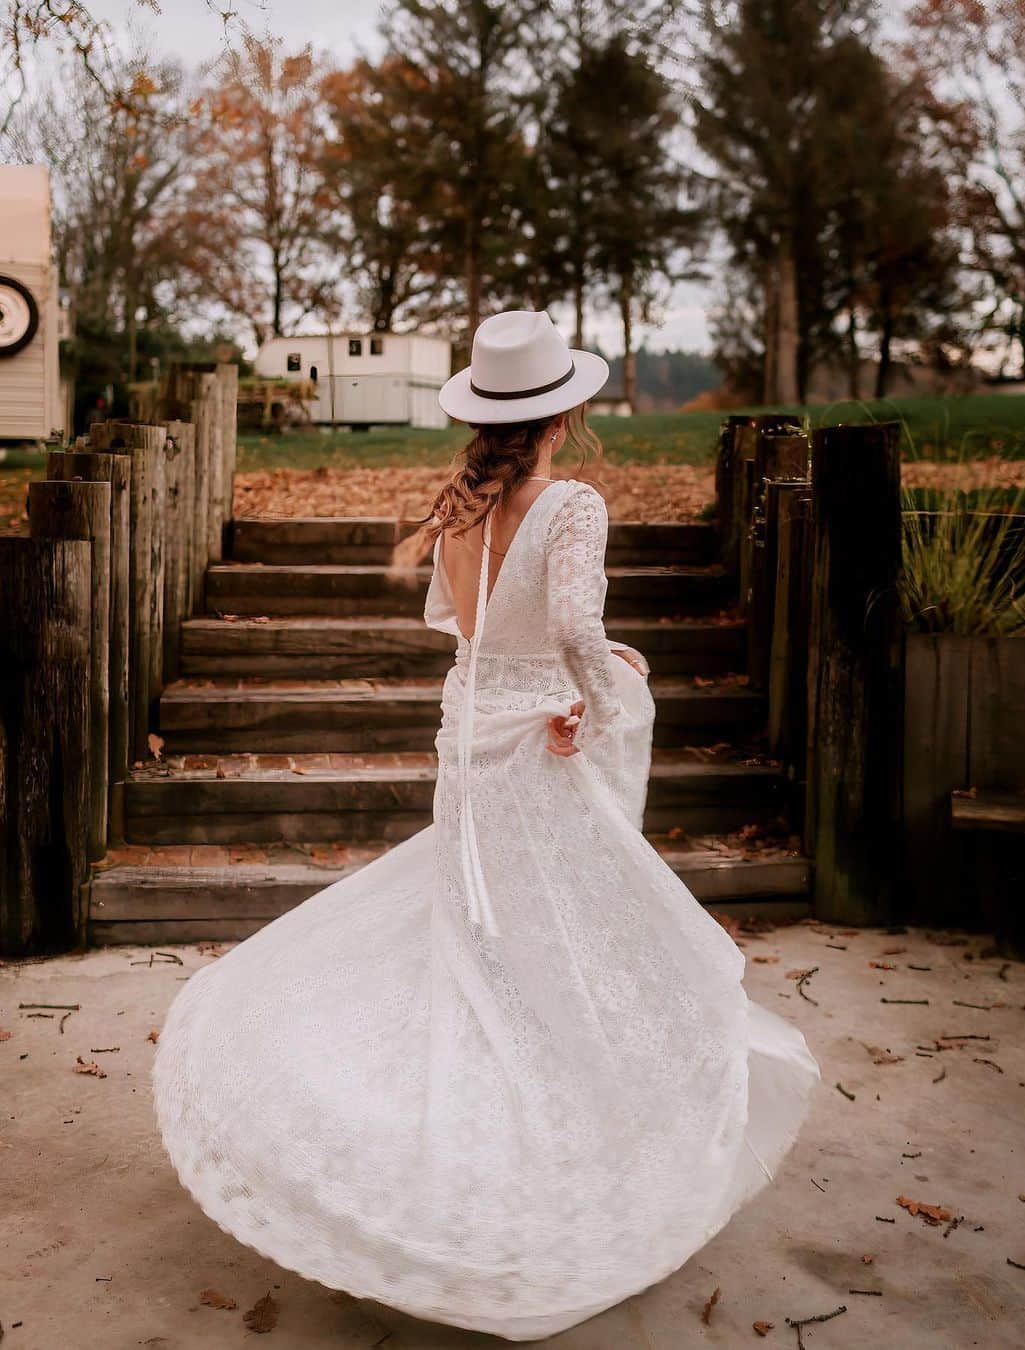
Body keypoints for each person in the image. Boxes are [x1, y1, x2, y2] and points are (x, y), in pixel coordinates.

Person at [153, 310, 819, 1342]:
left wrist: (568, 675)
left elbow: (460, 631)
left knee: (479, 933)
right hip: (538, 746)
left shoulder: (460, 508)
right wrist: (604, 687)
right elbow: (568, 630)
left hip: (469, 746)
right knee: (560, 931)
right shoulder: (575, 502)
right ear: (572, 409)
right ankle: (530, 1143)